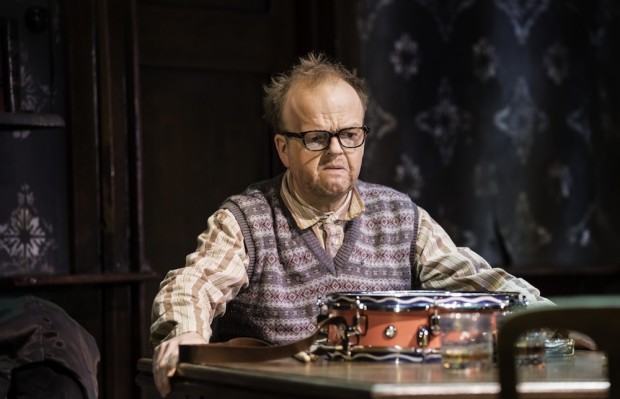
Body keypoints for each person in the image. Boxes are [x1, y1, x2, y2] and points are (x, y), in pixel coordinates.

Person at [150, 52, 554, 397]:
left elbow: (476, 279)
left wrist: (552, 319)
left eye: (349, 134)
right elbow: (193, 285)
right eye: (316, 137)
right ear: (283, 148)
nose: (336, 151)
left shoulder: (398, 214)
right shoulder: (247, 217)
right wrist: (183, 335)